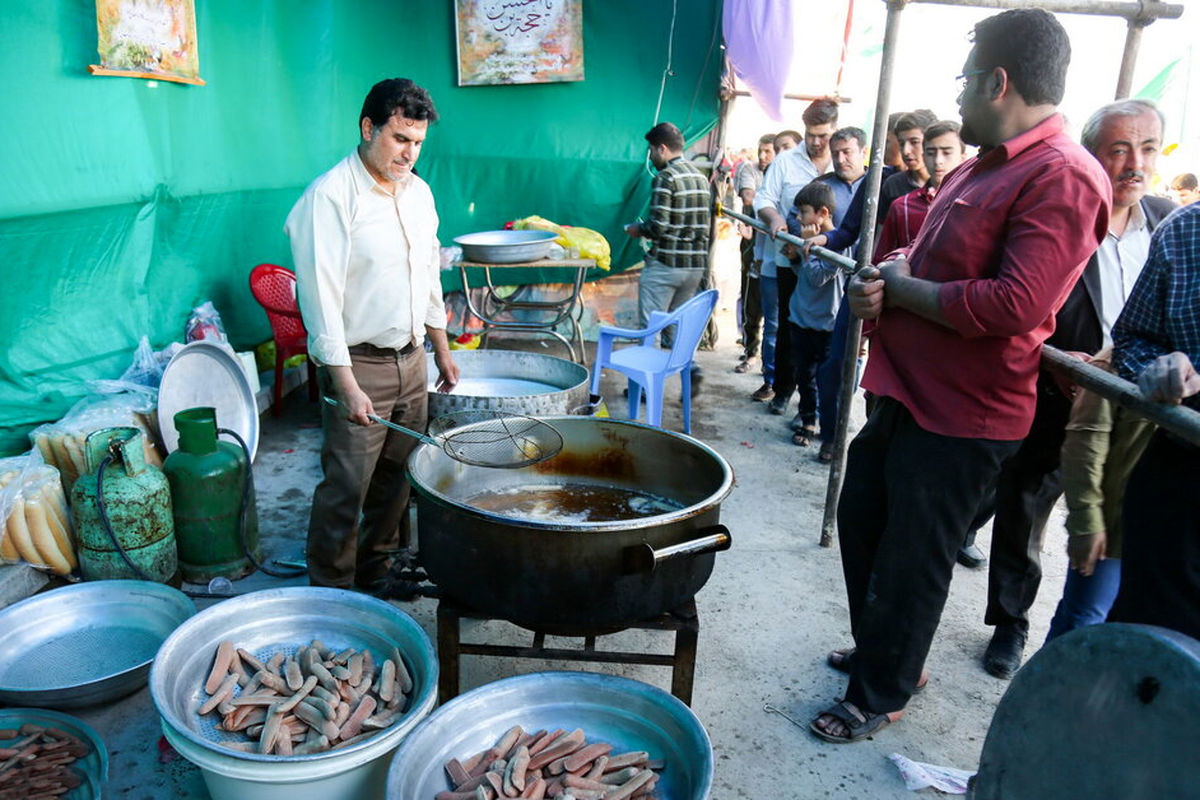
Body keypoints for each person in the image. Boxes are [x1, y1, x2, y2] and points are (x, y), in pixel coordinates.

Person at [811, 9, 1110, 744]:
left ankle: (880, 690)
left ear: (996, 81)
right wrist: (885, 283)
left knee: (916, 556)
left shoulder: (1064, 175)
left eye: (964, 80)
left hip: (963, 413)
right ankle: (891, 653)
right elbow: (921, 262)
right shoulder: (980, 166)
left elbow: (1017, 303)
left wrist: (903, 289)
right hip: (905, 389)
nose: (960, 98)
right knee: (865, 521)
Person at [980, 98, 1175, 680]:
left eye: (1145, 148)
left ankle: (1086, 637)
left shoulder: (1169, 225)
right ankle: (1011, 623)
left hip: (1137, 417)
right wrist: (1054, 360)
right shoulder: (1065, 212)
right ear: (1093, 155)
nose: (1133, 163)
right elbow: (1018, 299)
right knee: (1024, 513)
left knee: (1108, 530)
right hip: (1053, 396)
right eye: (1118, 149)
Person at [286, 78, 460, 592]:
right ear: (368, 127)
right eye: (400, 138)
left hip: (411, 360)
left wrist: (441, 350)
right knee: (346, 487)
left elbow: (428, 275)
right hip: (359, 365)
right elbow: (319, 302)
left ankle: (376, 571)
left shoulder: (419, 193)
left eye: (418, 143)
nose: (409, 153)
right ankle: (333, 590)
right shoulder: (330, 198)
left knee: (396, 482)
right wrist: (345, 384)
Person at [1108, 201, 1200, 640]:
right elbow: (1132, 338)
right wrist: (1162, 367)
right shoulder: (1185, 230)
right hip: (1182, 475)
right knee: (1148, 645)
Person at [1043, 345, 1156, 641]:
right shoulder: (1121, 360)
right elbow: (1085, 446)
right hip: (1112, 534)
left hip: (1163, 541)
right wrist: (1086, 520)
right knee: (1083, 622)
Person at [754, 99, 839, 416]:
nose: (816, 142)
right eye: (811, 134)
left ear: (835, 130)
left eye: (823, 135)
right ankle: (783, 390)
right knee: (792, 331)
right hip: (791, 262)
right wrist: (774, 219)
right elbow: (765, 198)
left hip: (832, 265)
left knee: (828, 336)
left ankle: (817, 405)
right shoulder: (786, 161)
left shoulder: (842, 162)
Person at [625, 121, 711, 367]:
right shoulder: (700, 177)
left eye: (652, 151)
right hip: (694, 268)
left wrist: (636, 229)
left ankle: (643, 385)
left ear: (662, 149)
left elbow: (658, 226)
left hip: (666, 266)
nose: (651, 157)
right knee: (675, 326)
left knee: (649, 329)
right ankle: (690, 369)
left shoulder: (666, 177)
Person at [782, 181, 844, 448]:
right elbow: (804, 277)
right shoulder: (808, 242)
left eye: (803, 212)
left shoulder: (840, 243)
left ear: (822, 213)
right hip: (801, 317)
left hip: (827, 323)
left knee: (827, 381)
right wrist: (796, 259)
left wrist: (806, 251)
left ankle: (830, 436)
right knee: (803, 375)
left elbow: (819, 277)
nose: (798, 218)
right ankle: (808, 420)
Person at [873, 120, 966, 260]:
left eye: (947, 152)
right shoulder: (901, 206)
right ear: (924, 156)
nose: (938, 160)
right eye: (931, 153)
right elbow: (880, 259)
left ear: (963, 158)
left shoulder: (976, 202)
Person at [735, 134, 776, 376]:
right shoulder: (749, 169)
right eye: (761, 150)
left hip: (772, 245)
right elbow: (749, 198)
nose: (762, 156)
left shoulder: (781, 172)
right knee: (751, 300)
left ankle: (769, 362)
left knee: (774, 309)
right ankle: (751, 351)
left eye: (768, 151)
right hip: (752, 243)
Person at [875, 109, 938, 230]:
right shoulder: (893, 184)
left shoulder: (951, 182)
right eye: (902, 143)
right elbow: (882, 235)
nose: (905, 151)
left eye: (914, 142)